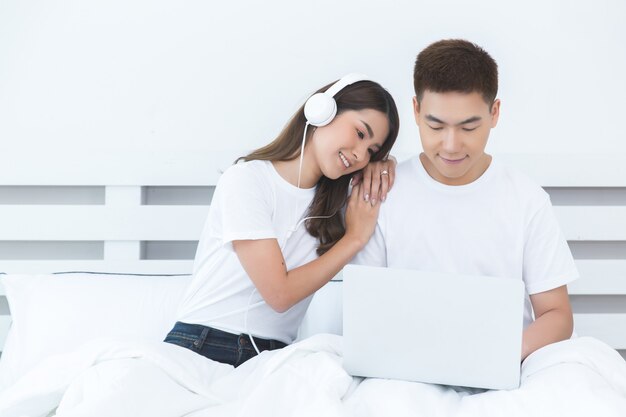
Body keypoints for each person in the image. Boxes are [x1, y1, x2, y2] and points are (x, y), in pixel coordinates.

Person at [353, 40, 578, 361]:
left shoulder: (526, 200)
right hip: (409, 362)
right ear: (416, 111)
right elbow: (367, 307)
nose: (451, 145)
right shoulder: (381, 192)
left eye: (469, 126)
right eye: (435, 125)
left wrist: (497, 357)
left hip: (510, 362)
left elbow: (556, 314)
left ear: (494, 113)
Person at [165, 74, 400, 366]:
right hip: (202, 343)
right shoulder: (247, 180)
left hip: (276, 356)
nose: (359, 154)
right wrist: (354, 239)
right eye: (361, 134)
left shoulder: (342, 203)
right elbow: (279, 294)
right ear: (322, 110)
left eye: (371, 152)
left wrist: (386, 165)